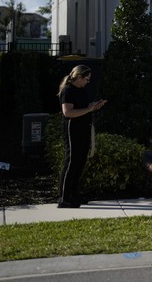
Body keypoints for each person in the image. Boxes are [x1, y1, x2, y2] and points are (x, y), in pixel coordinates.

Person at [57, 65, 107, 208]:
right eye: (86, 79)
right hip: (72, 130)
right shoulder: (68, 90)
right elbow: (68, 113)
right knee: (71, 162)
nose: (87, 82)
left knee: (80, 162)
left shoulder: (80, 90)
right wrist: (88, 109)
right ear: (79, 77)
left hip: (83, 129)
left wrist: (93, 106)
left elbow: (83, 108)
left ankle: (74, 194)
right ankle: (64, 198)